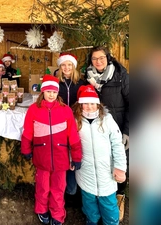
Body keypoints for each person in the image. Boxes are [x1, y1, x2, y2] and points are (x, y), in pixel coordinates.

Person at [21, 75, 82, 225]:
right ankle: (41, 209)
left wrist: (76, 156)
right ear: (43, 92)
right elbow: (28, 131)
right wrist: (26, 149)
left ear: (57, 93)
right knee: (42, 187)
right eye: (48, 91)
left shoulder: (65, 110)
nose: (51, 95)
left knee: (58, 189)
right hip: (42, 158)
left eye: (54, 92)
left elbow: (73, 135)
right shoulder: (34, 110)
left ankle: (58, 214)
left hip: (60, 159)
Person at [85, 46, 129, 221]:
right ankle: (95, 205)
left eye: (101, 58)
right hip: (97, 133)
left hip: (118, 130)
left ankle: (118, 201)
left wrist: (127, 131)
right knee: (100, 165)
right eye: (94, 59)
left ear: (108, 58)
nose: (98, 62)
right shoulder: (88, 78)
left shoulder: (120, 76)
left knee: (118, 165)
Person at [72, 85, 127, 225]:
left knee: (108, 203)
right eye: (85, 103)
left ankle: (111, 222)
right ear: (80, 104)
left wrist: (120, 167)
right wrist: (71, 159)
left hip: (106, 173)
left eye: (92, 103)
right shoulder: (75, 121)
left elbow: (117, 145)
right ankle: (92, 220)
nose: (89, 106)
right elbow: (71, 144)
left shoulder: (107, 120)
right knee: (89, 202)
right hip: (85, 171)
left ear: (97, 103)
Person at [54, 52, 85, 206]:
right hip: (59, 123)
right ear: (60, 67)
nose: (66, 68)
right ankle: (63, 187)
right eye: (63, 65)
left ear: (73, 67)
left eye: (69, 65)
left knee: (75, 151)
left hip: (76, 123)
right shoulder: (56, 83)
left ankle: (74, 187)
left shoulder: (80, 83)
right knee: (62, 152)